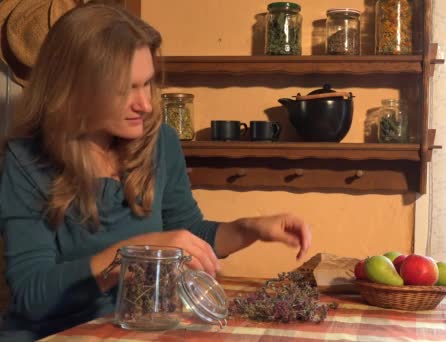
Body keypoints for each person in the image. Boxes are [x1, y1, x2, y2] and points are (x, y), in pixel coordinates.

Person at [0, 2, 312, 340]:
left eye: (147, 83)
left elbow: (186, 233)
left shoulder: (160, 142)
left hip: (139, 328)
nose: (145, 104)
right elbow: (31, 295)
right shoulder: (26, 161)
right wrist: (134, 254)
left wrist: (248, 229)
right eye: (125, 90)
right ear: (73, 90)